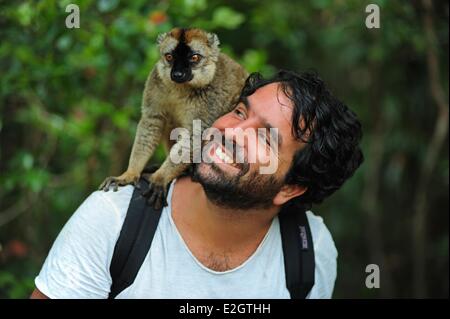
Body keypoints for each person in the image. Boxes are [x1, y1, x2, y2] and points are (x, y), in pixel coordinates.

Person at [31, 70, 363, 299]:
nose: (231, 131)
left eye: (263, 137)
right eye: (238, 111)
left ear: (290, 189)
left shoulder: (308, 249)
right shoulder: (112, 220)